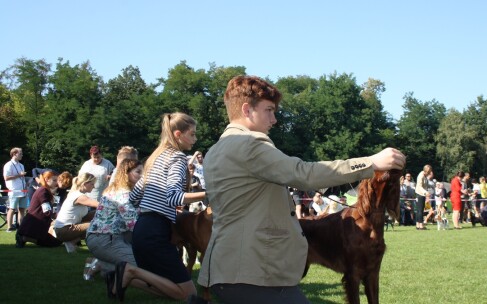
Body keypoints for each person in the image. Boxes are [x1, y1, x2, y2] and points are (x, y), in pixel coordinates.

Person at [197, 75, 405, 304]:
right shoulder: (250, 145)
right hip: (253, 272)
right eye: (269, 110)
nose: (274, 119)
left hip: (226, 269)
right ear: (247, 110)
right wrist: (370, 163)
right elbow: (305, 173)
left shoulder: (216, 150)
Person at [127, 112, 207, 302]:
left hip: (143, 229)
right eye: (192, 134)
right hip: (156, 232)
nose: (195, 139)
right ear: (178, 134)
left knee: (172, 290)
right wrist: (209, 194)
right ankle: (130, 272)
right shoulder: (178, 158)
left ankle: (123, 277)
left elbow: (134, 197)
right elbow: (173, 198)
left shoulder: (155, 158)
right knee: (189, 294)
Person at [85, 159, 142, 280]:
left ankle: (101, 264)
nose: (142, 176)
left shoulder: (118, 190)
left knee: (143, 263)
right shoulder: (122, 194)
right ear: (126, 173)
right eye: (138, 172)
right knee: (140, 268)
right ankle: (103, 265)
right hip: (104, 238)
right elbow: (134, 224)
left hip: (109, 237)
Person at [16, 170, 62, 248]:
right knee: (54, 243)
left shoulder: (43, 190)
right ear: (47, 180)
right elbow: (46, 209)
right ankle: (24, 237)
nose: (56, 183)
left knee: (56, 242)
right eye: (54, 180)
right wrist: (54, 218)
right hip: (34, 225)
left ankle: (24, 236)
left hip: (35, 224)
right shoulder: (43, 191)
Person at [54, 173, 99, 253]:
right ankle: (72, 242)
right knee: (98, 224)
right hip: (64, 230)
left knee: (98, 213)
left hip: (64, 229)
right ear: (85, 184)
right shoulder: (79, 196)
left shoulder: (75, 194)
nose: (94, 186)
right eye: (92, 184)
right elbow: (100, 205)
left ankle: (72, 242)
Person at [3, 147, 27, 232]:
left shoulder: (21, 165)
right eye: (20, 153)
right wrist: (19, 175)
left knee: (22, 209)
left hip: (23, 190)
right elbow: (6, 178)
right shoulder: (8, 165)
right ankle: (9, 227)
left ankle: (21, 228)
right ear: (14, 154)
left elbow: (22, 177)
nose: (22, 155)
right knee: (12, 208)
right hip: (14, 190)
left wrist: (25, 185)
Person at [415, 165, 432, 230]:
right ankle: (420, 225)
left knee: (420, 210)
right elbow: (419, 186)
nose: (430, 173)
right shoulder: (421, 175)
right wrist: (425, 192)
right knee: (420, 210)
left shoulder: (425, 176)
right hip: (419, 194)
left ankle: (418, 225)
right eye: (429, 171)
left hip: (422, 194)